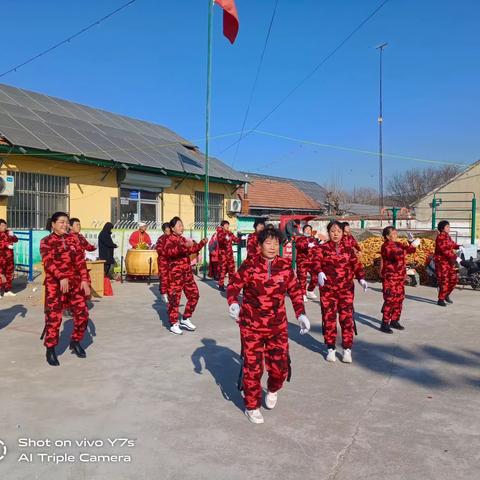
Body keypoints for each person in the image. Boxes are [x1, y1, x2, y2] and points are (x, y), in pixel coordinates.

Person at [227, 227, 310, 424]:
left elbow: (296, 291)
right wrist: (233, 302)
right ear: (260, 245)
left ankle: (273, 389)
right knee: (253, 368)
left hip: (278, 327)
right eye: (268, 243)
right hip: (251, 325)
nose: (272, 247)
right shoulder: (250, 265)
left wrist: (301, 314)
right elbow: (233, 286)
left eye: (275, 243)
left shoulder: (285, 266)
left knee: (280, 367)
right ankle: (252, 406)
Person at [312, 220, 367, 364]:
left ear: (343, 233)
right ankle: (331, 348)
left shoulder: (349, 250)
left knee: (347, 319)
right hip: (328, 291)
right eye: (332, 231)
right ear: (328, 233)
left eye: (338, 231)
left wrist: (361, 279)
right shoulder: (322, 249)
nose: (335, 234)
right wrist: (318, 272)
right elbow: (316, 262)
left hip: (346, 290)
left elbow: (356, 265)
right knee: (329, 319)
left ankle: (347, 349)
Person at [40, 212, 91, 366]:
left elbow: (80, 261)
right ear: (53, 224)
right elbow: (48, 262)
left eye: (67, 222)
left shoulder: (73, 240)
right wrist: (61, 276)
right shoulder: (46, 241)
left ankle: (75, 341)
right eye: (61, 222)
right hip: (55, 284)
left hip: (75, 284)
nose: (64, 225)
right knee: (54, 318)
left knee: (82, 313)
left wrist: (84, 280)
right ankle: (50, 349)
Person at [163, 217, 207, 335]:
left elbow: (193, 249)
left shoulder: (183, 239)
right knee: (174, 300)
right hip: (175, 275)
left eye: (182, 225)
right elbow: (171, 252)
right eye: (178, 225)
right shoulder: (168, 240)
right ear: (172, 228)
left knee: (194, 295)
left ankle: (185, 318)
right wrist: (184, 246)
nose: (181, 227)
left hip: (187, 274)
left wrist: (202, 243)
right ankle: (174, 323)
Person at [380, 226, 420, 333]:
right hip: (390, 278)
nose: (395, 233)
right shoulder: (386, 246)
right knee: (390, 300)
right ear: (388, 236)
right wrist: (408, 248)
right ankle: (384, 323)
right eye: (393, 232)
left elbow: (410, 250)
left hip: (399, 277)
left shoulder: (398, 244)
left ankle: (394, 320)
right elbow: (397, 255)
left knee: (399, 299)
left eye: (395, 231)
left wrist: (412, 242)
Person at [434, 220, 461, 306]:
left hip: (449, 262)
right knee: (444, 281)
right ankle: (440, 299)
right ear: (442, 228)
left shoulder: (447, 236)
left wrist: (460, 246)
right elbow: (445, 251)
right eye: (447, 227)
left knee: (454, 279)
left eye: (449, 226)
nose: (449, 228)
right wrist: (457, 258)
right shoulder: (440, 237)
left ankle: (446, 294)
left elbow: (452, 245)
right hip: (442, 263)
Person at [294, 224, 318, 301]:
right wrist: (307, 245)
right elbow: (298, 245)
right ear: (303, 231)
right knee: (302, 279)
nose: (308, 231)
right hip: (302, 262)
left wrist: (318, 245)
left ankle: (310, 291)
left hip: (312, 261)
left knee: (315, 277)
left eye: (309, 229)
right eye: (306, 229)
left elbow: (317, 249)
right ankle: (303, 294)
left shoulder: (313, 239)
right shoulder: (300, 238)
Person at [216, 220, 239, 291]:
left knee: (231, 269)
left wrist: (242, 238)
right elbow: (221, 241)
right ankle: (221, 284)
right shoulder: (219, 233)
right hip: (223, 255)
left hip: (230, 255)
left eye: (228, 225)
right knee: (223, 270)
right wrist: (225, 238)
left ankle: (231, 285)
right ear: (222, 226)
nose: (227, 226)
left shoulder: (229, 233)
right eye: (226, 225)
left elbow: (236, 239)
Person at [0, 219, 18, 297]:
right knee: (1, 274)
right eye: (2, 226)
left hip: (9, 257)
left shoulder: (8, 233)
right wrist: (6, 245)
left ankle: (7, 290)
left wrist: (12, 235)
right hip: (1, 257)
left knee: (9, 274)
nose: (4, 227)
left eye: (5, 225)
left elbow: (16, 240)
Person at [155, 222, 171, 303]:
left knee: (171, 277)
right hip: (163, 261)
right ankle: (163, 293)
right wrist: (168, 252)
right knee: (164, 277)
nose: (168, 231)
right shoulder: (161, 239)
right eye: (166, 230)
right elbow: (158, 249)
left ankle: (169, 293)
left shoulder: (174, 237)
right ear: (164, 231)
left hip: (172, 262)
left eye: (169, 230)